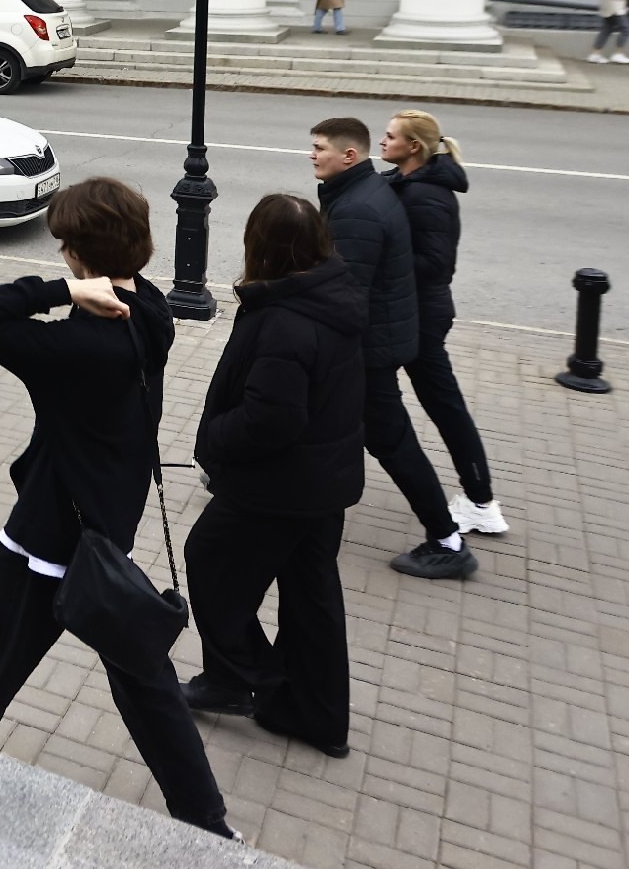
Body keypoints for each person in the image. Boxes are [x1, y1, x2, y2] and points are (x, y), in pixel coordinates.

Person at [0, 177, 234, 840]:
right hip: (105, 545)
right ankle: (208, 824)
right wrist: (94, 286)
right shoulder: (150, 311)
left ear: (73, 255)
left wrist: (60, 293)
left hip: (42, 546)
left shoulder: (72, 350)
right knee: (147, 688)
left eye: (63, 247)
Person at [181, 194, 366, 758]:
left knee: (208, 561)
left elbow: (272, 420)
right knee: (312, 597)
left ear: (262, 248)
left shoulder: (287, 319)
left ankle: (242, 678)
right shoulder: (331, 295)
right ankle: (318, 717)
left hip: (279, 486)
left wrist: (212, 439)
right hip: (322, 480)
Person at [311, 116, 472, 580]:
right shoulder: (362, 191)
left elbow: (347, 291)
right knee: (316, 414)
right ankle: (239, 480)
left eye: (320, 147)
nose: (312, 154)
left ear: (348, 155)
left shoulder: (357, 208)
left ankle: (446, 539)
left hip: (366, 349)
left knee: (392, 440)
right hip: (373, 341)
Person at [382, 110, 505, 537]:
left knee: (444, 407)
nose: (383, 142)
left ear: (413, 147)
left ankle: (480, 502)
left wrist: (384, 258)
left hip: (421, 317)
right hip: (415, 313)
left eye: (390, 136)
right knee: (442, 405)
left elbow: (435, 263)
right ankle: (480, 499)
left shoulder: (429, 196)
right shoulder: (410, 183)